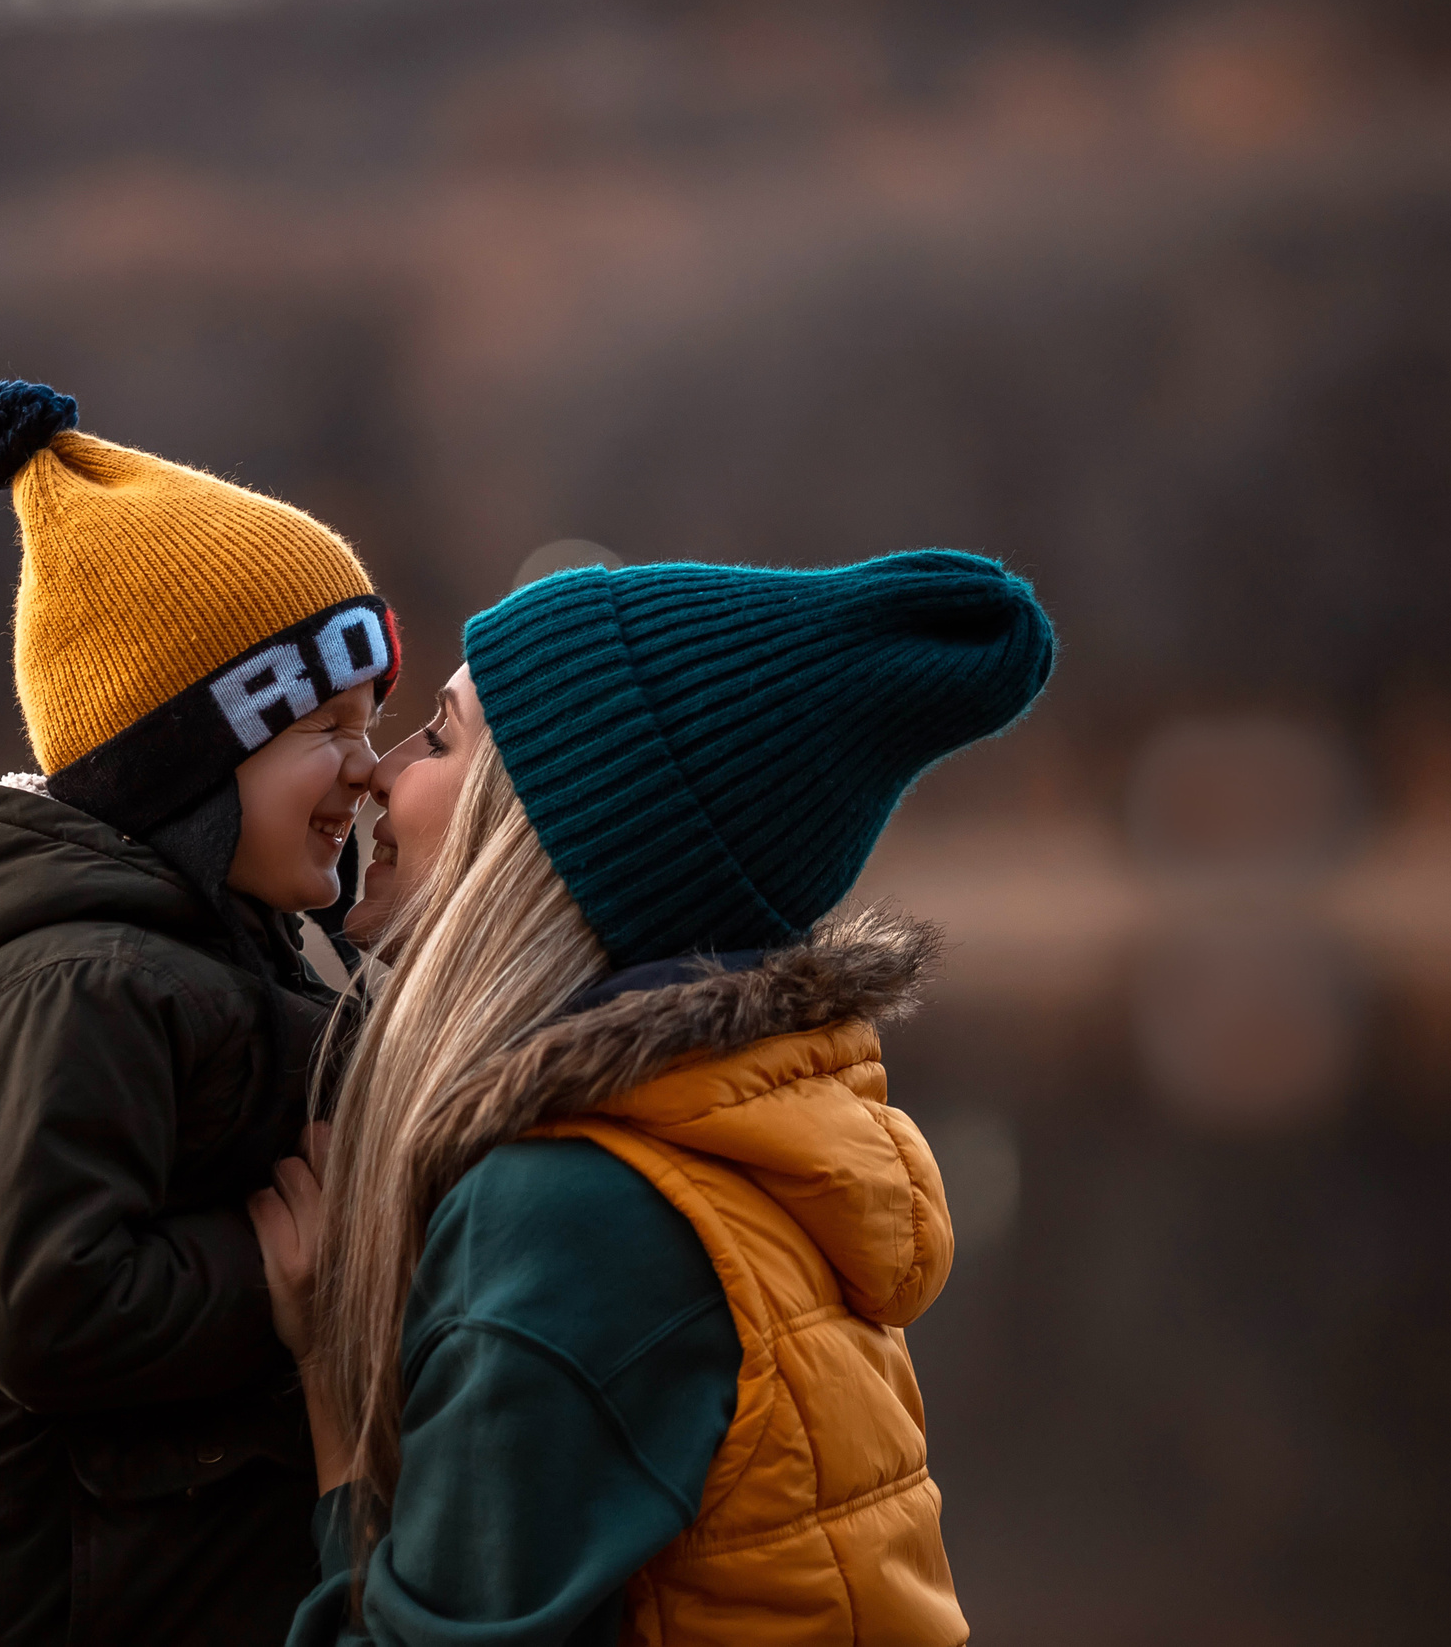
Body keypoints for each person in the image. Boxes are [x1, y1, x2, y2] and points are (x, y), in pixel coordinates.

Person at [252, 551, 1057, 1646]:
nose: (381, 773)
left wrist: (331, 1401)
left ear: (543, 834)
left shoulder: (572, 1213)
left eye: (438, 738)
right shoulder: (722, 1153)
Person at [0, 381, 401, 1647]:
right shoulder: (69, 982)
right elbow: (46, 1303)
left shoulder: (200, 950)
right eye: (325, 727)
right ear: (189, 761)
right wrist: (284, 1277)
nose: (369, 768)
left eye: (376, 725)